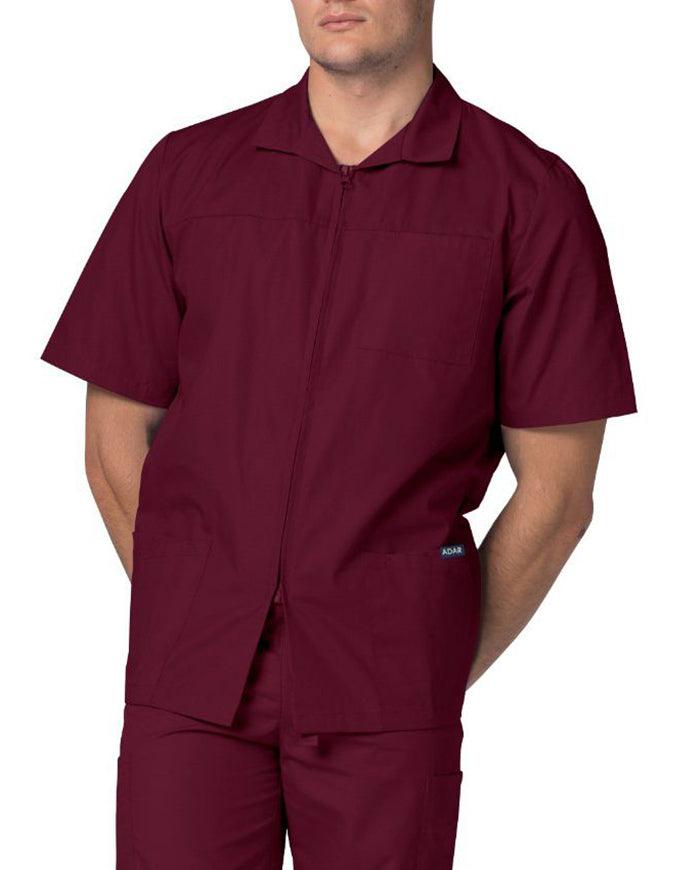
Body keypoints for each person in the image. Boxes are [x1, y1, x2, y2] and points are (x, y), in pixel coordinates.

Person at [41, 1, 637, 867]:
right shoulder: (188, 171)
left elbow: (557, 496)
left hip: (389, 692)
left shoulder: (529, 197)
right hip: (189, 684)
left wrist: (420, 663)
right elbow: (112, 438)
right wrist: (200, 610)